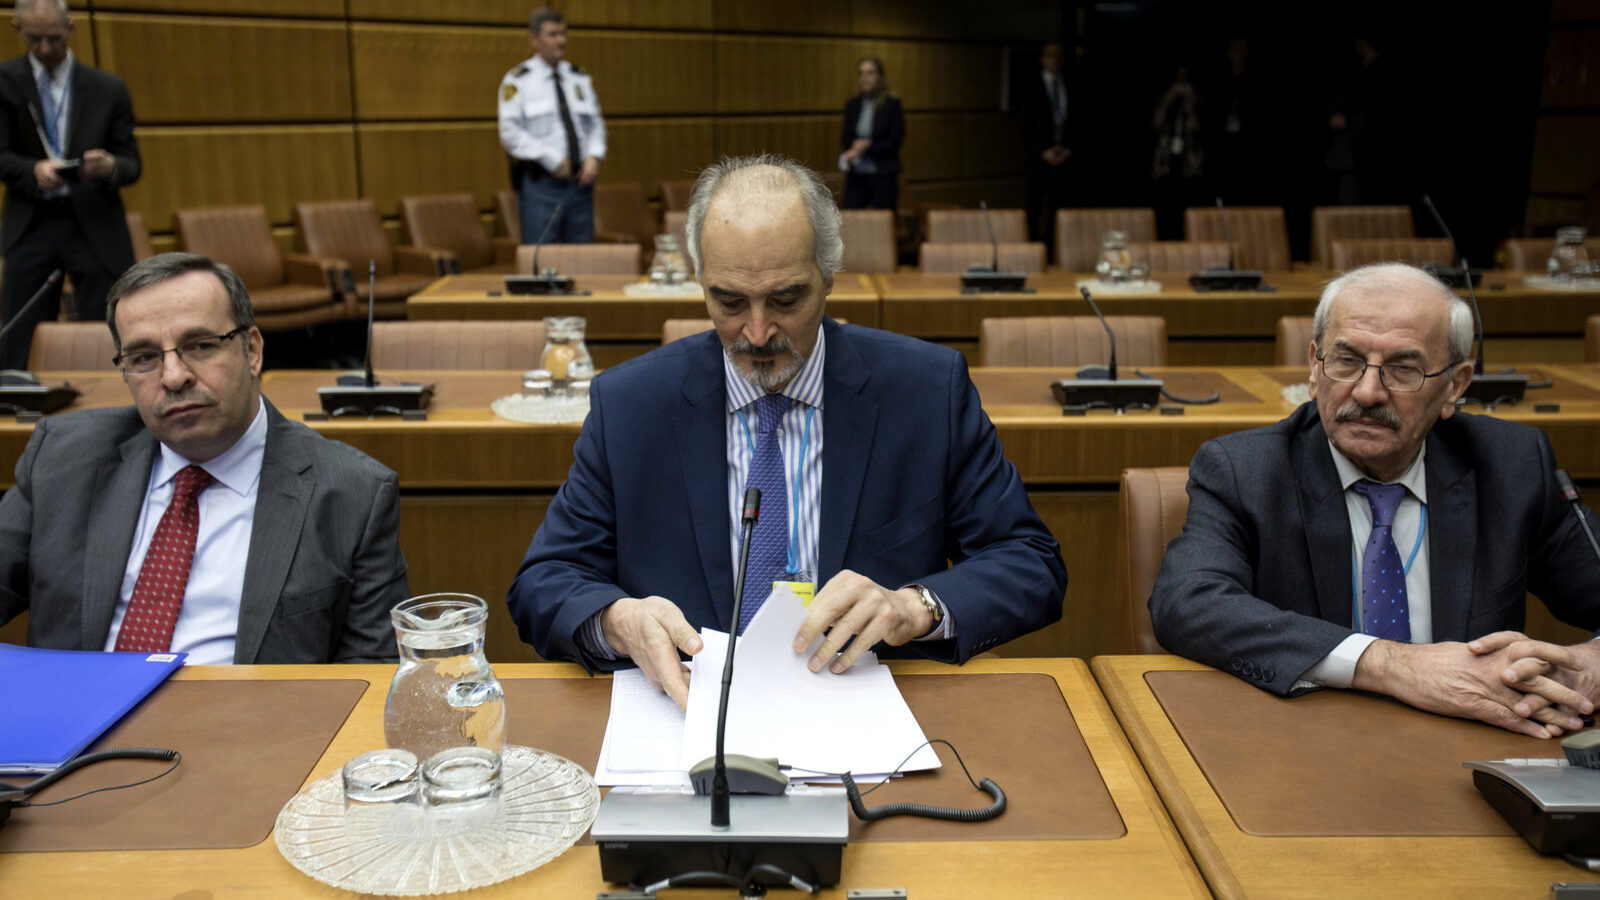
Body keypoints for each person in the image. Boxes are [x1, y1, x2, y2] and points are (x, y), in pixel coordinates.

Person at [507, 154, 1067, 707]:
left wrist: (915, 605)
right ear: (699, 280)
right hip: (685, 716)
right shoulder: (631, 405)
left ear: (828, 276)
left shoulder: (925, 392)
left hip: (869, 716)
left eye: (785, 299)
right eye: (728, 301)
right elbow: (544, 582)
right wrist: (615, 619)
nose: (756, 332)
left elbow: (1030, 562)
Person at [1149, 263, 1600, 739]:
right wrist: (1396, 665)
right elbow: (1188, 604)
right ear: (1313, 366)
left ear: (1455, 385)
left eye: (1402, 369)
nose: (1366, 392)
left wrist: (1590, 666)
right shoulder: (1246, 470)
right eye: (1346, 361)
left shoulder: (1510, 467)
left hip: (1472, 747)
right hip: (1299, 745)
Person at [0, 252, 409, 663]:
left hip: (247, 723)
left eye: (199, 346)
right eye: (144, 357)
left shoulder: (352, 493)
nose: (174, 376)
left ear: (251, 350)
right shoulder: (64, 456)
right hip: (76, 719)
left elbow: (369, 676)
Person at [0, 0, 140, 369]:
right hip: (32, 222)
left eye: (54, 38)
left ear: (71, 28)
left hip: (94, 221)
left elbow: (132, 163)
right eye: (34, 39)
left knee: (112, 327)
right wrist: (31, 170)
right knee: (21, 333)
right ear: (16, 29)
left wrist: (109, 166)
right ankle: (19, 409)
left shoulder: (108, 88)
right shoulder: (3, 82)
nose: (45, 49)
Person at [498, 6, 605, 245]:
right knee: (541, 260)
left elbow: (595, 124)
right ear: (535, 39)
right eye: (553, 34)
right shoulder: (518, 80)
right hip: (542, 185)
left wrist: (594, 157)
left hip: (580, 184)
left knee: (583, 261)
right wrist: (551, 159)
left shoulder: (579, 78)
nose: (561, 40)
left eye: (563, 33)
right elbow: (510, 133)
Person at [1018, 41, 1071, 252]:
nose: (1055, 60)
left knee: (1058, 209)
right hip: (1038, 159)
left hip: (1063, 156)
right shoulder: (1031, 87)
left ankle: (1055, 251)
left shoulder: (1069, 84)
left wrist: (1066, 149)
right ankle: (1031, 251)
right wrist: (1042, 151)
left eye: (1059, 56)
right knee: (1033, 206)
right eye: (1050, 56)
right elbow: (1025, 125)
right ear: (1042, 59)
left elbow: (1078, 121)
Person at [839, 56, 903, 212]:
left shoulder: (891, 104)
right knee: (850, 221)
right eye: (861, 73)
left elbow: (894, 141)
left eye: (870, 73)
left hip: (883, 174)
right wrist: (855, 144)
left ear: (880, 76)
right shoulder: (853, 104)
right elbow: (845, 137)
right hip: (857, 174)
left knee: (883, 224)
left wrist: (867, 146)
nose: (864, 78)